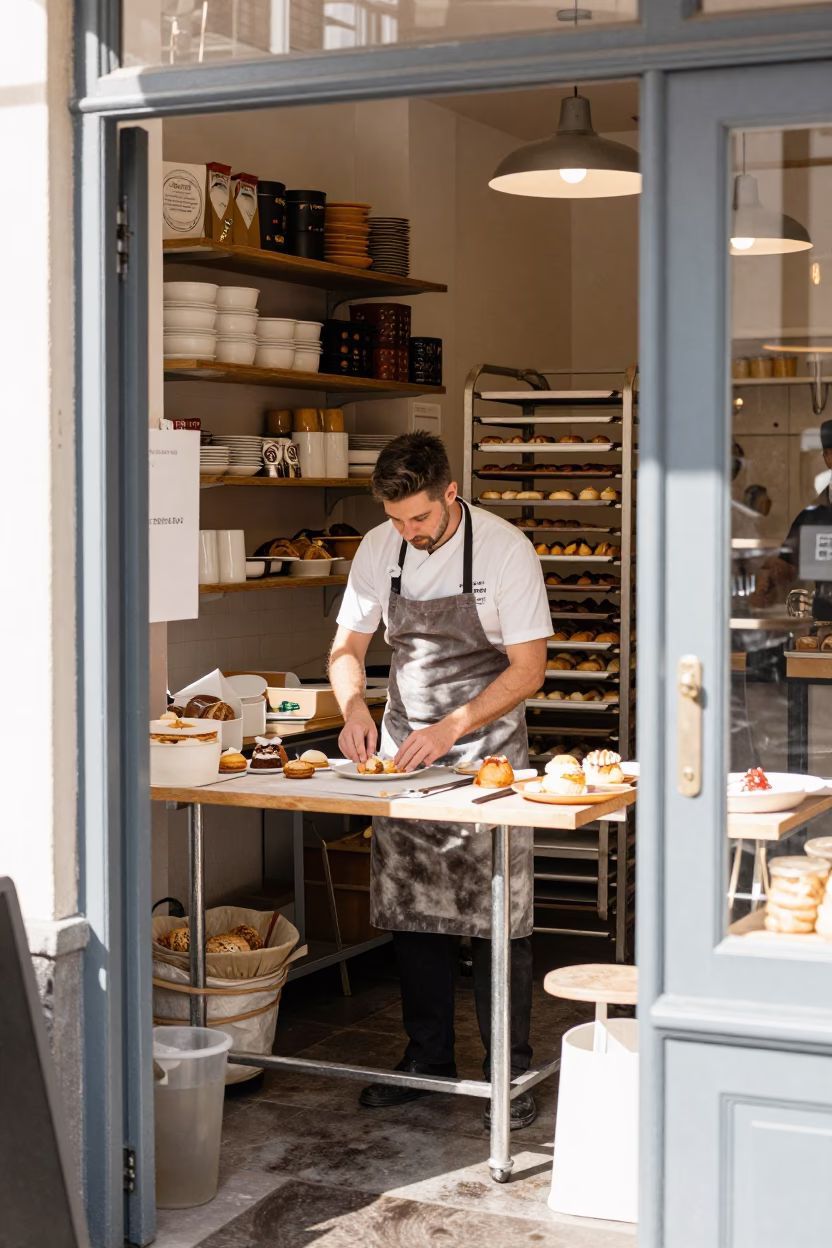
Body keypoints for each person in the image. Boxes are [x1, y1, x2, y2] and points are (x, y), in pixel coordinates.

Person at [328, 432, 550, 1129]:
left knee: (496, 915)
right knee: (412, 910)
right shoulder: (379, 547)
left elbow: (529, 669)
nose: (408, 530)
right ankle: (427, 1059)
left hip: (485, 754)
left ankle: (508, 1070)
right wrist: (353, 707)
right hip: (404, 756)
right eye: (396, 518)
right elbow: (347, 647)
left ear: (451, 493)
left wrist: (452, 728)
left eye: (419, 517)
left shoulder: (505, 550)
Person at [751, 418, 832, 618]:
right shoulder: (812, 517)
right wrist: (767, 582)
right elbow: (788, 566)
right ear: (826, 456)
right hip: (826, 624)